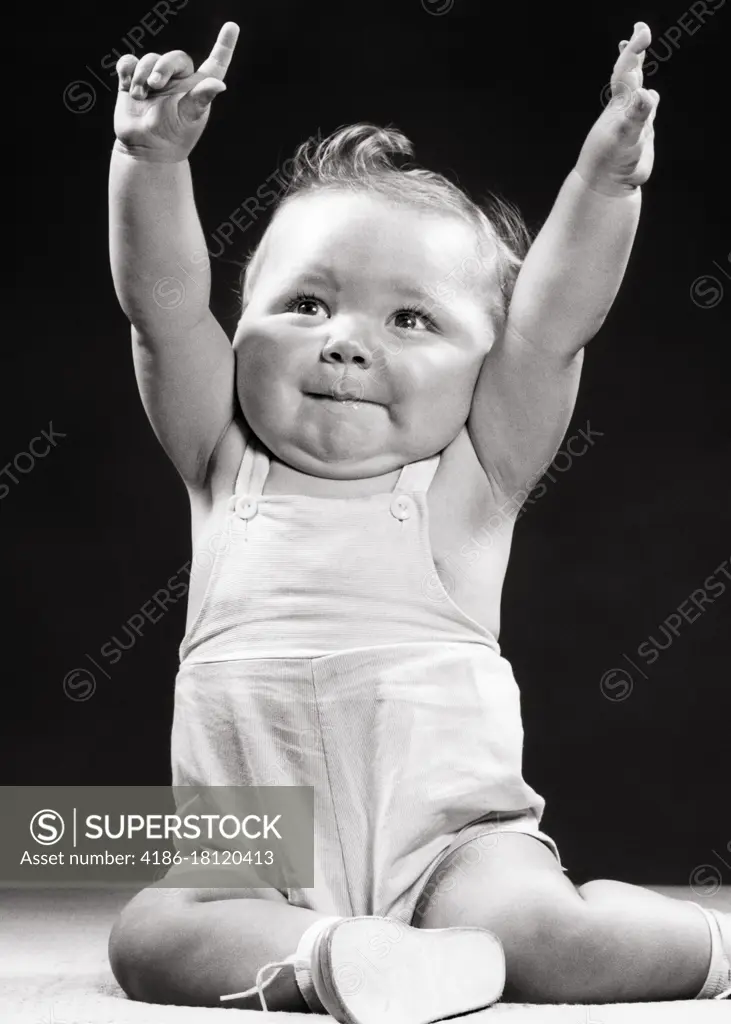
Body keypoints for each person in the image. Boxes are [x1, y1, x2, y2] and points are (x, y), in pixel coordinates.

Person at [105, 18, 731, 1020]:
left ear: (487, 359)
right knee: (150, 933)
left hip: (453, 849)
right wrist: (148, 159)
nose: (347, 344)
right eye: (306, 304)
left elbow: (555, 322)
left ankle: (700, 942)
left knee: (552, 938)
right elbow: (162, 304)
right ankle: (343, 957)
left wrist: (605, 184)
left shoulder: (470, 482)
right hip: (251, 853)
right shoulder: (220, 462)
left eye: (410, 320)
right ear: (241, 326)